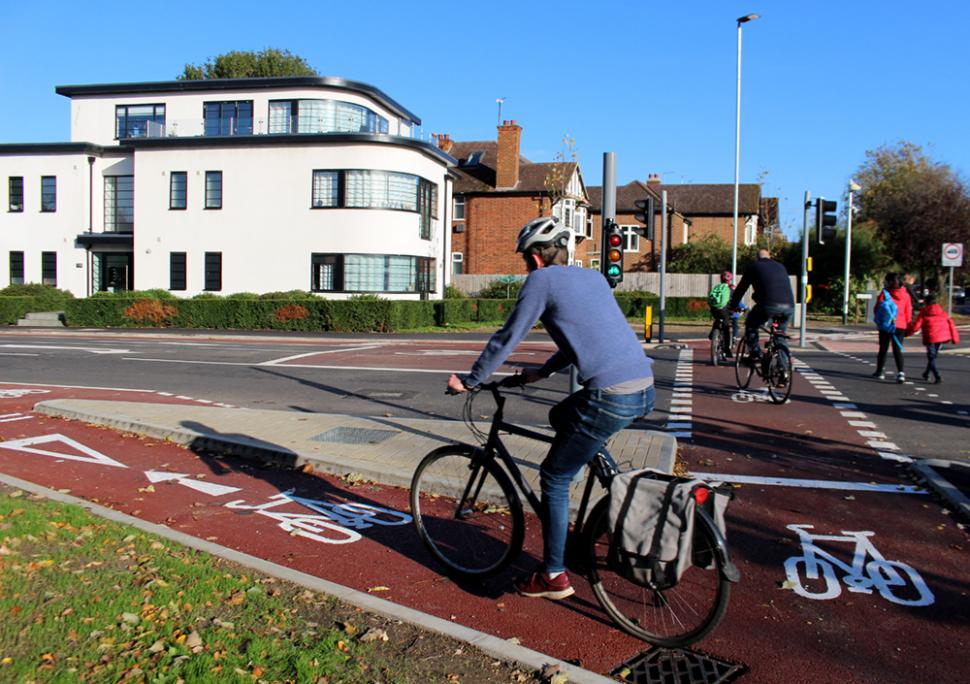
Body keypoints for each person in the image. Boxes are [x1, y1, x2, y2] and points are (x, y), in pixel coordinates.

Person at [447, 216, 655, 600]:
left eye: (526, 258)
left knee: (554, 478)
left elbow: (507, 337)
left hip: (610, 395)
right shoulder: (592, 278)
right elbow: (583, 336)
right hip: (644, 387)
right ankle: (601, 476)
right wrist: (543, 371)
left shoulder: (541, 281)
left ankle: (553, 576)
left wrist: (472, 380)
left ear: (537, 258)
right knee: (560, 416)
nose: (527, 265)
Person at [727, 248, 794, 362]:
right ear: (770, 256)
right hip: (789, 306)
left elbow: (741, 289)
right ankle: (784, 370)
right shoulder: (781, 266)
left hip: (768, 305)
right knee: (780, 335)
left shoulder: (754, 267)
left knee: (751, 325)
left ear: (757, 258)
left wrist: (733, 306)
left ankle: (755, 354)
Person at [906, 293, 960, 383]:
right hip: (941, 338)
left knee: (931, 357)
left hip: (930, 337)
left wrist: (908, 333)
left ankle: (937, 376)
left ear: (926, 303)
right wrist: (955, 338)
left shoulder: (924, 312)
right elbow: (951, 325)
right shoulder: (942, 311)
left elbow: (916, 326)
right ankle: (926, 373)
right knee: (933, 357)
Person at [872, 272, 912, 383]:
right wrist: (907, 324)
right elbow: (908, 312)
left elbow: (877, 309)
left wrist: (879, 322)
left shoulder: (884, 293)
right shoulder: (906, 295)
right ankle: (901, 373)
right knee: (897, 350)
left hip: (886, 325)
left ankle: (880, 371)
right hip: (900, 325)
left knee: (883, 349)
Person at [708, 271, 735, 358]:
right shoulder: (731, 289)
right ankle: (727, 350)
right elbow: (735, 301)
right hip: (724, 310)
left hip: (714, 309)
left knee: (717, 319)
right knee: (727, 326)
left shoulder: (717, 287)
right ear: (730, 280)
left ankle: (713, 333)